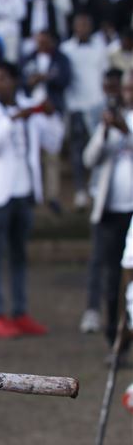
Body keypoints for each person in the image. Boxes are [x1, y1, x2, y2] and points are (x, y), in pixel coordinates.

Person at [0, 60, 63, 338]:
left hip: (24, 192)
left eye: (2, 79)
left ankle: (20, 312)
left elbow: (54, 142)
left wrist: (48, 115)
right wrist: (12, 120)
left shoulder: (27, 105)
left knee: (20, 256)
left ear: (13, 81)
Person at [81, 71, 132, 353]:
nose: (128, 93)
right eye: (126, 88)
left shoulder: (126, 123)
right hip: (111, 213)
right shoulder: (107, 120)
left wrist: (127, 132)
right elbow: (89, 158)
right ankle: (114, 339)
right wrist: (103, 133)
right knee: (111, 278)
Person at [61, 13, 110, 210]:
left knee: (100, 148)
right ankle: (80, 190)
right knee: (77, 149)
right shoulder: (66, 49)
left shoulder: (100, 47)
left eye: (86, 25)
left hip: (97, 104)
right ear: (74, 27)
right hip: (76, 106)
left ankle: (96, 187)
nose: (82, 28)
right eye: (79, 25)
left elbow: (104, 75)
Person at [22, 30, 72, 214]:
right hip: (32, 111)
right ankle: (34, 193)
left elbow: (66, 79)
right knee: (32, 155)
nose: (42, 45)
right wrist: (32, 81)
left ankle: (52, 196)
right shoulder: (28, 58)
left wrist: (47, 78)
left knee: (52, 155)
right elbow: (20, 81)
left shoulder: (60, 59)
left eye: (45, 41)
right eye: (39, 41)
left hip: (52, 111)